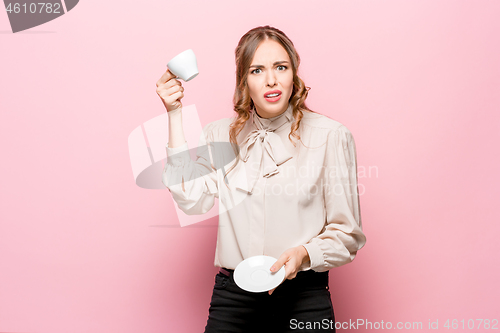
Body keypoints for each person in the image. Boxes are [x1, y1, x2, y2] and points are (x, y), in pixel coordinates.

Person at [156, 25, 366, 333]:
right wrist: (174, 114)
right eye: (257, 70)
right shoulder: (219, 135)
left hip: (304, 297)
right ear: (244, 81)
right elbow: (192, 201)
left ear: (294, 73)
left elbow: (348, 234)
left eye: (281, 67)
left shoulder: (331, 136)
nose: (271, 80)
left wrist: (303, 253)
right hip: (234, 298)